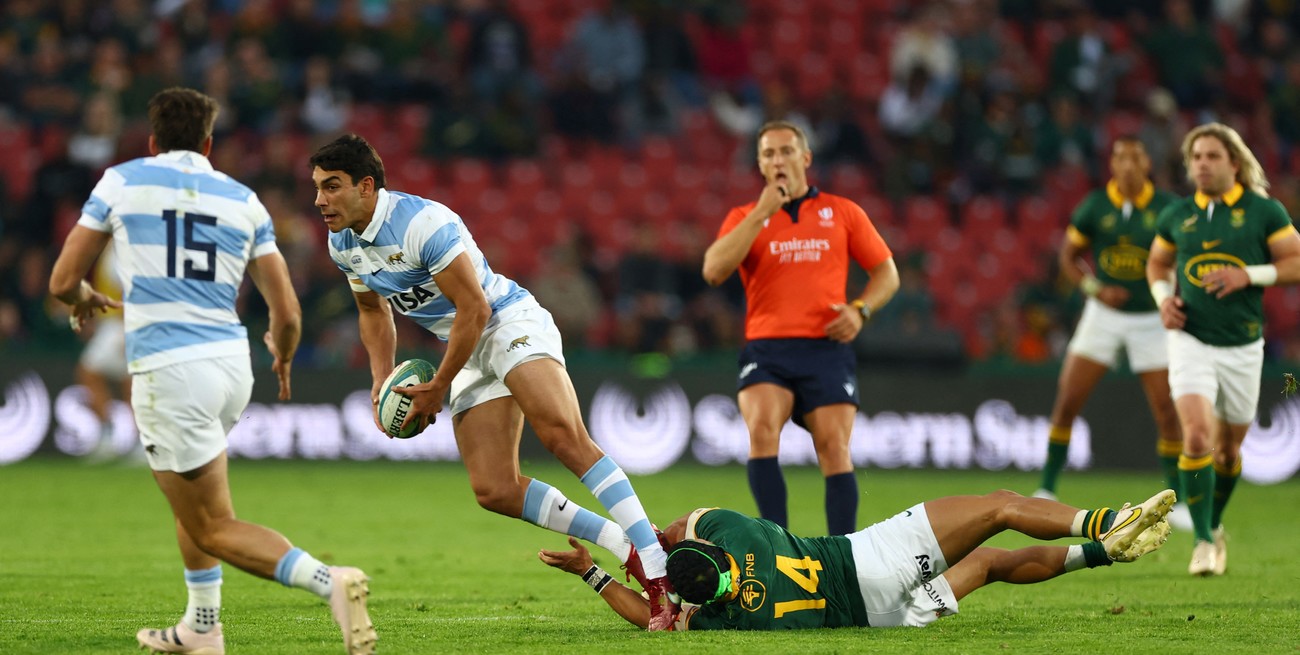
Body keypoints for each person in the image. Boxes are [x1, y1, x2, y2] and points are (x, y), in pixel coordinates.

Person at [48, 88, 376, 655]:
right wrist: (283, 354)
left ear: (153, 142)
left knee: (211, 524)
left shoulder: (121, 182)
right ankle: (202, 627)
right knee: (195, 502)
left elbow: (61, 281)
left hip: (169, 368)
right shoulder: (242, 199)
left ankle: (331, 582)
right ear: (207, 144)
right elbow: (286, 312)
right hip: (229, 366)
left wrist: (82, 298)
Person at [308, 134, 677, 630]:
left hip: (506, 321)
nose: (320, 200)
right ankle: (622, 542)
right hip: (464, 345)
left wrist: (439, 386)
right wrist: (381, 379)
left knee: (562, 436)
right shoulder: (343, 244)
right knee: (495, 489)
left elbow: (475, 307)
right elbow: (372, 311)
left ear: (367, 186)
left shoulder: (421, 223)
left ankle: (657, 568)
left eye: (331, 186)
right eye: (317, 188)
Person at [540, 488, 1176, 630]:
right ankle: (1104, 525)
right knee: (999, 508)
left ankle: (1102, 554)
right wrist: (650, 547)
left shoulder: (717, 620)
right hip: (866, 558)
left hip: (881, 617)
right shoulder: (730, 529)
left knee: (986, 565)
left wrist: (595, 573)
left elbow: (649, 618)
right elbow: (682, 530)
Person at [701, 120, 900, 536]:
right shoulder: (744, 217)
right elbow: (714, 270)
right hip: (767, 348)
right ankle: (777, 547)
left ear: (805, 158)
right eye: (769, 154)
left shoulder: (843, 212)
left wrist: (860, 310)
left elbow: (887, 273)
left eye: (786, 151)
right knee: (762, 432)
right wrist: (762, 213)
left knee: (834, 447)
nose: (778, 160)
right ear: (760, 165)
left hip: (825, 346)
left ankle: (842, 552)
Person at [1146, 122, 1300, 576]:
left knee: (1229, 453)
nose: (1202, 165)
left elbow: (1295, 262)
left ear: (1234, 162)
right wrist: (1163, 300)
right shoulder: (1177, 215)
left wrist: (1248, 274)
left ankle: (1214, 525)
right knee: (1196, 435)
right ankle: (1201, 540)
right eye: (1196, 157)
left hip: (1243, 345)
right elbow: (1157, 265)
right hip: (1190, 338)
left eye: (1212, 156)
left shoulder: (1263, 211)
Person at [1033, 136, 1191, 530]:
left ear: (1147, 164)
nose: (1128, 164)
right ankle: (1047, 488)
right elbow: (1068, 257)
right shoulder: (1095, 206)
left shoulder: (1167, 207)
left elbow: (1187, 254)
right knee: (1068, 399)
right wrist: (1095, 289)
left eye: (1135, 157)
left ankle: (1178, 499)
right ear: (1112, 165)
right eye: (1120, 157)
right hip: (1102, 315)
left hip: (1151, 319)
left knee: (1167, 411)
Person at [76, 242, 134, 462]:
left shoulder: (123, 244)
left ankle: (109, 435)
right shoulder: (112, 244)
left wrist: (130, 328)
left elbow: (131, 289)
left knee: (88, 371)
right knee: (130, 385)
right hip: (111, 324)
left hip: (119, 326)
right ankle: (141, 442)